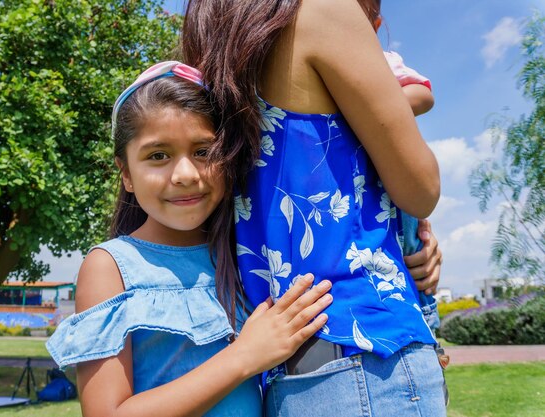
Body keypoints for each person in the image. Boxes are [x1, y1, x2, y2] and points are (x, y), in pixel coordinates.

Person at [182, 0, 446, 416]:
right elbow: (422, 189)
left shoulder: (217, 41)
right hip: (365, 352)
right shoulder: (325, 11)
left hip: (279, 368)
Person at [46, 61, 335, 417]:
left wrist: (419, 250)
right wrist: (243, 357)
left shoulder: (246, 252)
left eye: (203, 152)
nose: (185, 174)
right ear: (126, 174)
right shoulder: (111, 267)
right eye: (158, 156)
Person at [359, 0, 442, 329]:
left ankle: (425, 313)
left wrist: (367, 107)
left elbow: (424, 94)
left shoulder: (382, 64)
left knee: (410, 243)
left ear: (375, 28)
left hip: (390, 173)